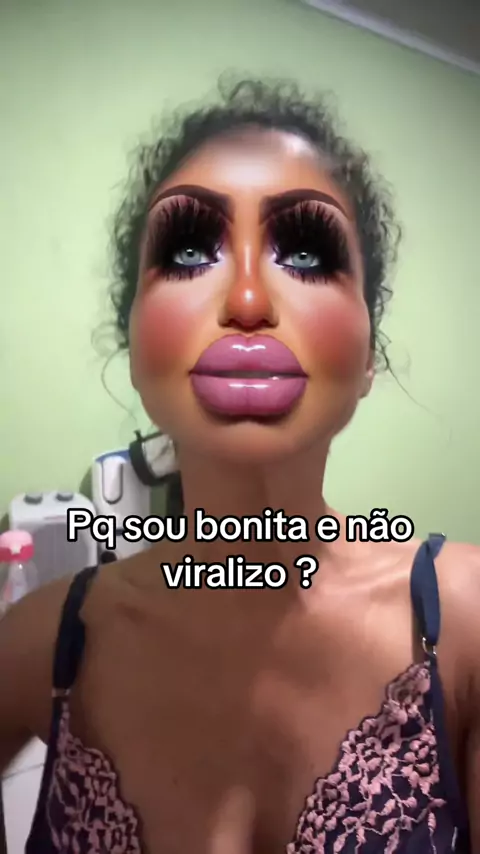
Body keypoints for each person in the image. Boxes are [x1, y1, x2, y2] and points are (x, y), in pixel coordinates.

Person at [0, 76, 478, 854]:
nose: (249, 299)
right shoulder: (39, 641)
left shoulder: (463, 624)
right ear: (134, 344)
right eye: (189, 252)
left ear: (368, 354)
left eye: (307, 253)